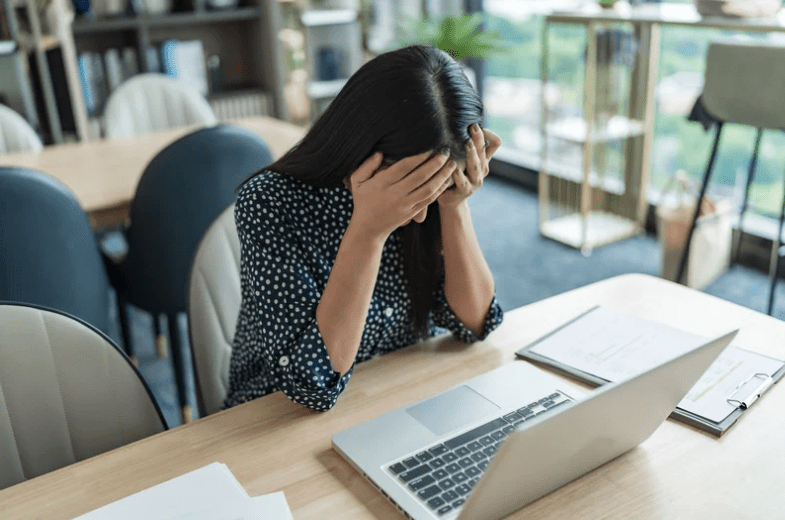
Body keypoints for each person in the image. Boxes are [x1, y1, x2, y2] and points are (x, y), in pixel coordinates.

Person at [224, 45, 504, 411]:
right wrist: (369, 231)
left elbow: (475, 324)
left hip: (391, 394)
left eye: (439, 181)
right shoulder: (269, 202)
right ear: (361, 147)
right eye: (416, 184)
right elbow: (312, 385)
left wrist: (454, 204)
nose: (421, 208)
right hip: (275, 414)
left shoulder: (436, 187)